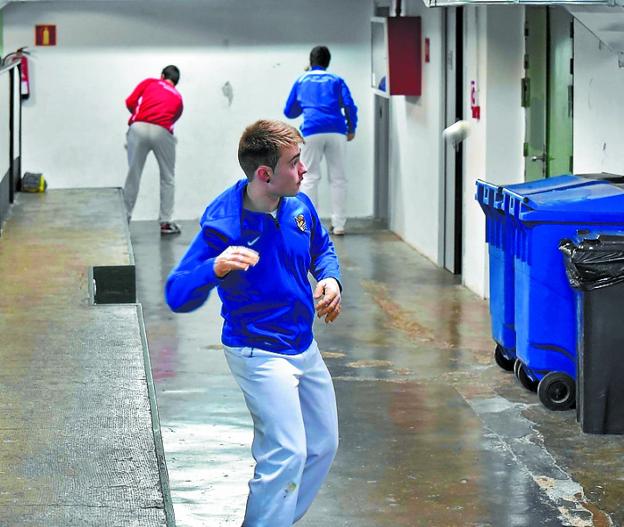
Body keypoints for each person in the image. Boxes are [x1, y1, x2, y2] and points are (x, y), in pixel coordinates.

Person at [165, 119, 343, 526]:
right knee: (286, 452)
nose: (304, 171)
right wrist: (215, 267)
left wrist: (330, 279)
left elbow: (322, 248)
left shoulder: (300, 204)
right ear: (265, 174)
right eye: (295, 163)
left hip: (303, 344)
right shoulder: (224, 222)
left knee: (322, 445)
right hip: (257, 350)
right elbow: (177, 293)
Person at [284, 45, 358, 236]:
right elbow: (349, 105)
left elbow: (289, 111)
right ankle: (339, 224)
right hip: (337, 131)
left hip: (311, 131)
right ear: (328, 62)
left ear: (311, 61)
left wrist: (308, 103)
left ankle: (307, 226)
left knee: (308, 178)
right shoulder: (336, 80)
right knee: (339, 178)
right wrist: (352, 128)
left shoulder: (301, 80)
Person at [123, 65, 184, 235]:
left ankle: (125, 219)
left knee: (133, 175)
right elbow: (174, 118)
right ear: (175, 82)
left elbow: (130, 102)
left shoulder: (150, 82)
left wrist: (139, 114)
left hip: (138, 127)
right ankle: (166, 222)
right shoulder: (178, 97)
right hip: (162, 131)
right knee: (168, 177)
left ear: (162, 75)